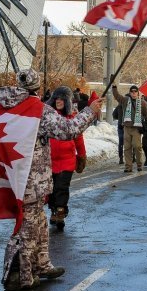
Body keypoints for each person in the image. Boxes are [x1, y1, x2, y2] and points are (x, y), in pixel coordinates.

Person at [2, 68, 102, 291]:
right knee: (27, 228)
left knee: (38, 223)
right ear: (37, 87)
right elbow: (69, 129)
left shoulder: (7, 107)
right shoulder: (36, 110)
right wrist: (91, 111)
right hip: (31, 178)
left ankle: (42, 265)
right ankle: (23, 276)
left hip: (20, 175)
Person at [47, 87, 87, 230]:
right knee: (50, 189)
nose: (58, 101)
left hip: (67, 160)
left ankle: (60, 212)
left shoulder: (72, 118)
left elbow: (78, 138)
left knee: (61, 188)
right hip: (49, 161)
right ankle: (53, 210)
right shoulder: (48, 117)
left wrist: (81, 156)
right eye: (56, 98)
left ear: (67, 101)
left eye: (62, 98)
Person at [112, 84, 147, 173]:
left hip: (136, 129)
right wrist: (114, 87)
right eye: (132, 91)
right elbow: (117, 96)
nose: (133, 93)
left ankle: (139, 164)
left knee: (137, 146)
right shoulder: (125, 100)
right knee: (127, 148)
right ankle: (128, 167)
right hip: (127, 128)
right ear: (130, 92)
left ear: (138, 93)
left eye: (135, 91)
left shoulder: (142, 102)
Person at [112, 90, 131, 166]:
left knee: (121, 142)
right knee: (130, 142)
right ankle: (132, 158)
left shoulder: (119, 106)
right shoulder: (131, 106)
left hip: (120, 126)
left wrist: (119, 119)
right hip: (129, 126)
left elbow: (114, 115)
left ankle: (121, 158)